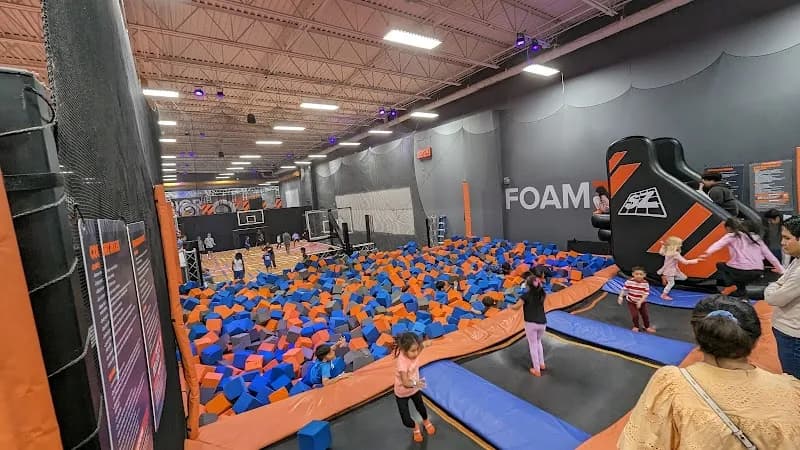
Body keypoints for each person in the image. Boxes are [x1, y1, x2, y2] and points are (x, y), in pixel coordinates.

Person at [620, 295, 800, 449]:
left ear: (696, 333)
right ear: (755, 339)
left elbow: (638, 443)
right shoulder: (792, 391)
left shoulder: (672, 385)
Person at [701, 218, 784, 298]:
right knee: (738, 275)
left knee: (720, 265)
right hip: (757, 271)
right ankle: (741, 293)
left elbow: (718, 244)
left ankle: (733, 286)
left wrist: (707, 253)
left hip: (740, 270)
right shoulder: (757, 239)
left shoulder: (732, 236)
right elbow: (770, 256)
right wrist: (781, 270)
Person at [764, 215, 800, 379]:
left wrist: (772, 288)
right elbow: (780, 282)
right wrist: (775, 286)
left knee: (794, 382)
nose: (782, 242)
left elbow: (774, 298)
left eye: (787, 238)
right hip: (789, 331)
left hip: (792, 335)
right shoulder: (796, 261)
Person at [393, 332, 435, 443]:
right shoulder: (402, 363)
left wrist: (427, 343)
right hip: (402, 393)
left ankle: (425, 421)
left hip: (414, 390)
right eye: (412, 351)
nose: (416, 353)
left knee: (421, 407)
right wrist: (416, 383)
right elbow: (406, 382)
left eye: (417, 349)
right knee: (406, 420)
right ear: (404, 350)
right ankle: (415, 426)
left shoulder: (415, 351)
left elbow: (422, 346)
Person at [510, 265, 548, 375]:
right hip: (542, 322)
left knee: (533, 345)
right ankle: (542, 364)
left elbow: (516, 307)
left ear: (528, 285)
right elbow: (540, 284)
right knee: (538, 342)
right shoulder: (542, 294)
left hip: (531, 323)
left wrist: (509, 307)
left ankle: (536, 370)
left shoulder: (525, 296)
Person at [618, 266, 656, 333]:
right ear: (633, 274)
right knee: (635, 315)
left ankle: (646, 326)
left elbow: (646, 294)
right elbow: (624, 290)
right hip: (631, 301)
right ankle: (636, 326)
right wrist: (620, 297)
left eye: (641, 274)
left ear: (644, 275)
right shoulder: (629, 281)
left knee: (645, 315)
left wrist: (640, 301)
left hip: (642, 302)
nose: (638, 276)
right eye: (636, 274)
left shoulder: (645, 283)